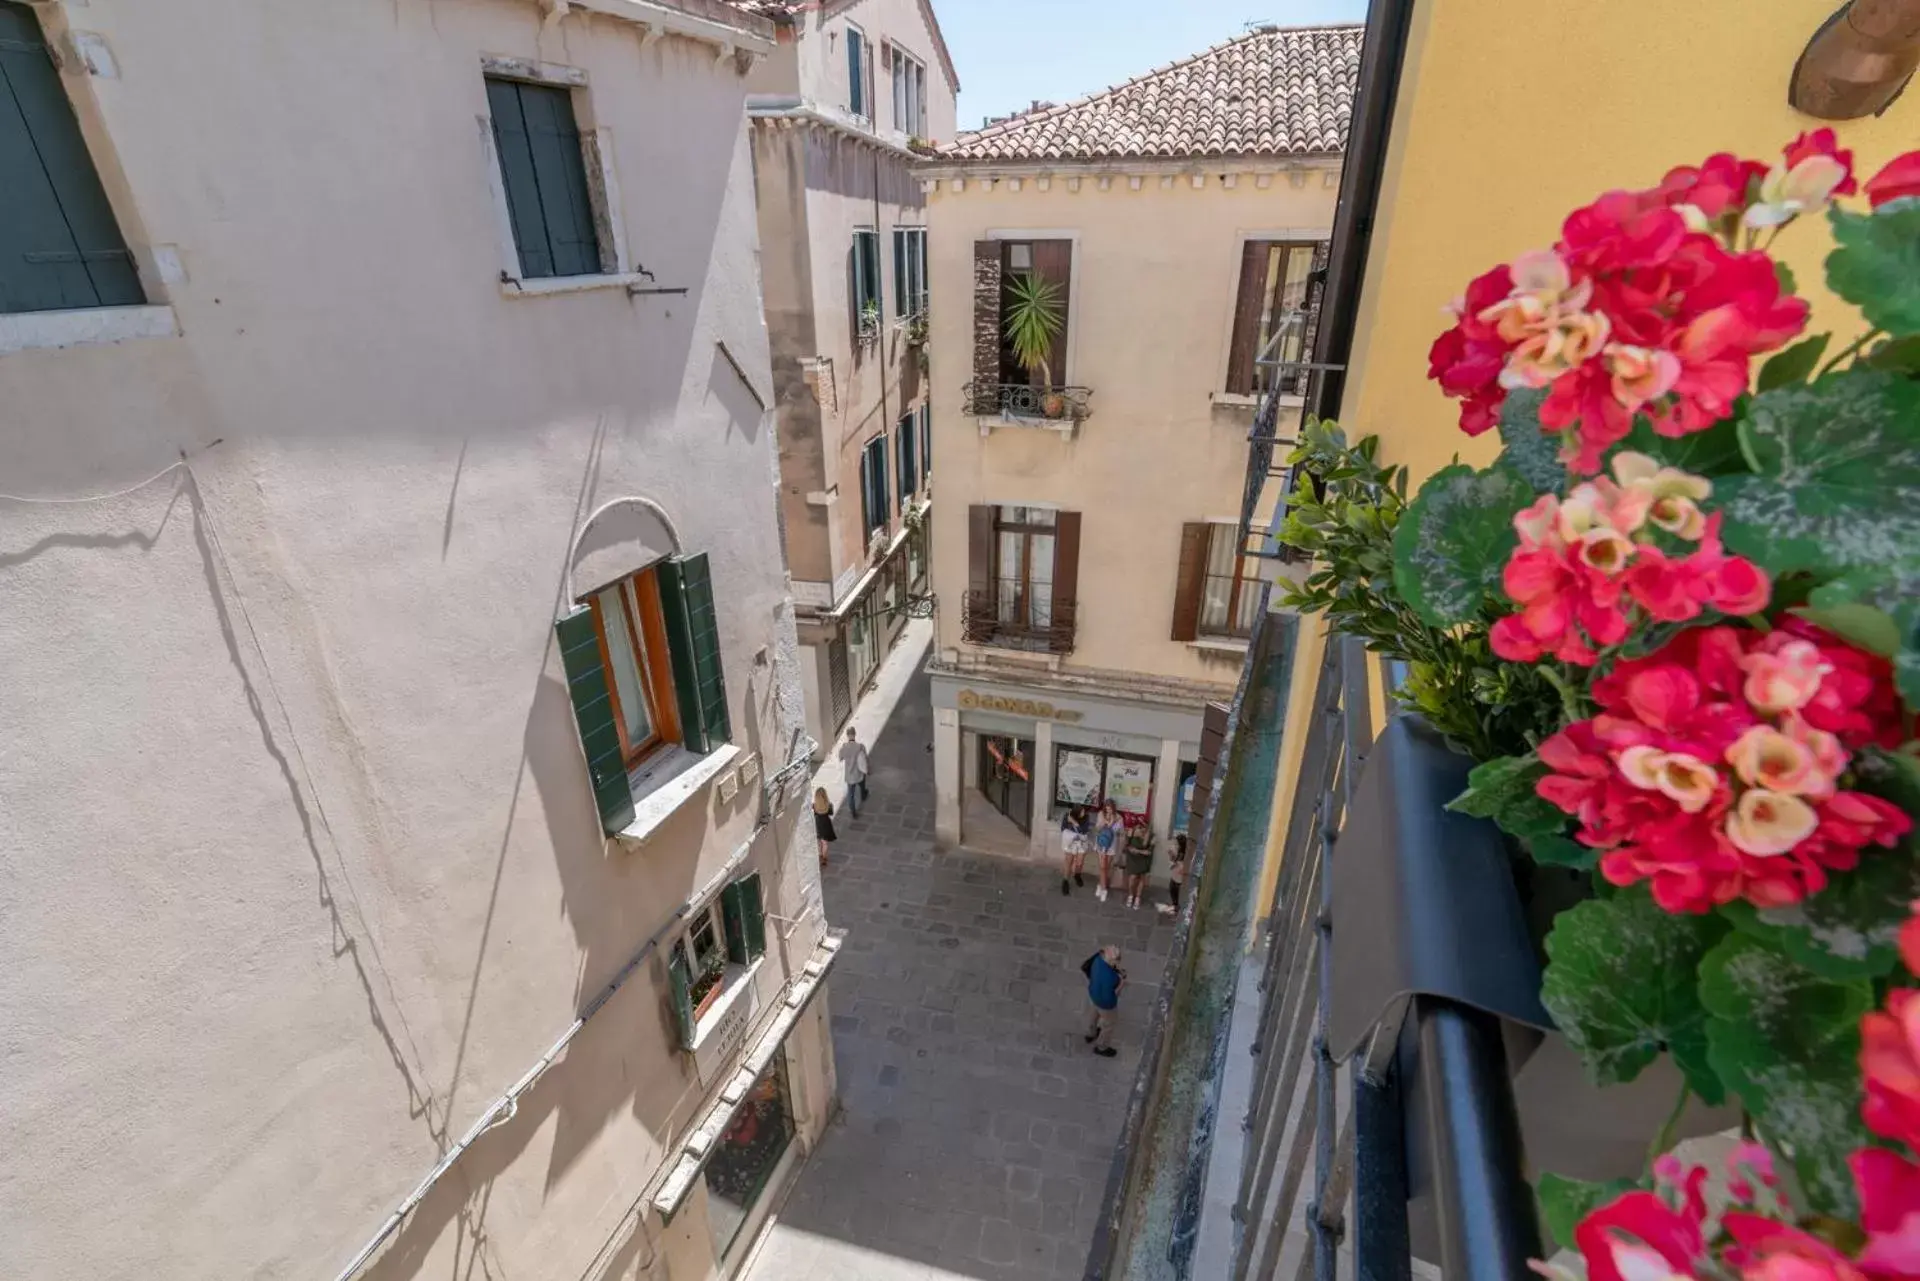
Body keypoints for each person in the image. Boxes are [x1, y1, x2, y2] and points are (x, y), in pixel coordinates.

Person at [1081, 944, 1125, 1057]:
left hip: (1093, 993)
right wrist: (1121, 983)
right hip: (1105, 1003)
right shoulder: (1110, 977)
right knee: (1109, 1024)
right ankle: (1102, 1046)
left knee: (1094, 1013)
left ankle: (1091, 1033)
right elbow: (1112, 995)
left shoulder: (1097, 959)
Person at [1092, 800, 1126, 902]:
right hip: (1101, 843)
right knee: (1102, 866)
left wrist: (1112, 823)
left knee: (1106, 867)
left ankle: (1100, 885)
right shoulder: (1100, 814)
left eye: (1110, 808)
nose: (1108, 810)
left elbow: (1119, 832)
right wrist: (1104, 823)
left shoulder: (1119, 817)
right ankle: (1104, 889)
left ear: (1113, 808)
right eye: (1106, 807)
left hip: (1111, 844)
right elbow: (1096, 829)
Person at [838, 727, 870, 819]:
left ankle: (853, 812)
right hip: (859, 773)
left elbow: (840, 758)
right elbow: (865, 759)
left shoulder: (844, 747)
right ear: (855, 734)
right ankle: (863, 794)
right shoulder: (860, 746)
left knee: (851, 794)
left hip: (850, 775)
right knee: (862, 783)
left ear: (847, 735)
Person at [1059, 805, 1091, 896]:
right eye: (1082, 812)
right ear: (1076, 813)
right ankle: (1065, 881)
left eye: (1084, 811)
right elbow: (1063, 828)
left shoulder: (1086, 818)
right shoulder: (1067, 815)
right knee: (1069, 861)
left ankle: (1077, 875)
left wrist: (1074, 823)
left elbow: (1084, 831)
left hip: (1081, 841)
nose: (1084, 813)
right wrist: (1071, 825)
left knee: (1079, 862)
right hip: (1071, 842)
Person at [1123, 823, 1153, 910]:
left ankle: (1137, 898)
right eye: (1140, 827)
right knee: (1132, 878)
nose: (1142, 830)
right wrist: (1132, 848)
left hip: (1144, 860)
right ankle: (1131, 895)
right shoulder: (1131, 834)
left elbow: (1149, 852)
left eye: (1144, 828)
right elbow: (1126, 846)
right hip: (1132, 860)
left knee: (1141, 879)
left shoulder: (1151, 837)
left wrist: (1137, 851)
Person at [1158, 833, 1189, 917]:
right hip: (1175, 875)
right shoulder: (1177, 852)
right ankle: (1175, 907)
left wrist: (1179, 865)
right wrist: (1171, 856)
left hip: (1180, 877)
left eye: (1177, 843)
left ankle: (1178, 911)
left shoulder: (1186, 853)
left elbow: (1183, 865)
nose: (1175, 845)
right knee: (1172, 891)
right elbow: (1173, 863)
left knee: (1179, 895)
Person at [813, 787, 836, 868]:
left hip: (818, 824)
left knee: (819, 842)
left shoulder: (814, 806)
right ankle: (824, 858)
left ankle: (820, 855)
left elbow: (813, 814)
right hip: (826, 824)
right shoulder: (829, 805)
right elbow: (831, 813)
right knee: (825, 843)